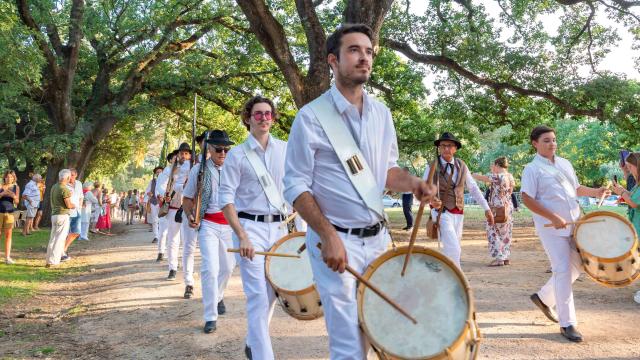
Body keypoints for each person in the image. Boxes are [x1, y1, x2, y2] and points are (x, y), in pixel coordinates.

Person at [283, 24, 435, 359]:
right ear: (333, 61)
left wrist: (415, 184)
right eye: (354, 50)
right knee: (349, 343)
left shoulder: (381, 113)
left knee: (379, 329)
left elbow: (386, 173)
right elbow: (295, 186)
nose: (364, 58)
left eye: (368, 52)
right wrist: (328, 235)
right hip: (336, 240)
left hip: (378, 239)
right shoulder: (310, 117)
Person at [521, 125, 610, 343]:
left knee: (579, 266)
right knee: (562, 270)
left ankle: (543, 297)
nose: (552, 144)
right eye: (546, 140)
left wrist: (595, 191)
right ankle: (567, 323)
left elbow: (576, 189)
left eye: (553, 140)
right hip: (552, 228)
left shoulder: (565, 163)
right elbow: (526, 198)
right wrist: (552, 217)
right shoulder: (532, 169)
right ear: (535, 143)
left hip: (576, 222)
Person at [219, 95, 289, 359]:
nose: (263, 118)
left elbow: (295, 189)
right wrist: (242, 236)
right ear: (247, 119)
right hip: (250, 229)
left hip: (280, 228)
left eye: (268, 114)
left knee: (272, 293)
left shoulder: (285, 149)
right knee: (258, 295)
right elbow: (225, 199)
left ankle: (252, 341)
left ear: (273, 117)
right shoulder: (237, 155)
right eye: (258, 114)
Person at [184, 130, 237, 333]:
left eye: (226, 150)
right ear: (210, 149)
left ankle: (219, 296)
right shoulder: (199, 169)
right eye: (219, 149)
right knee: (210, 269)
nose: (223, 153)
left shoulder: (234, 169)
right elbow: (187, 199)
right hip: (208, 225)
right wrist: (191, 215)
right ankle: (210, 316)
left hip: (230, 226)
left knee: (228, 268)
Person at [423, 132, 494, 267]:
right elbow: (423, 188)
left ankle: (444, 275)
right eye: (443, 146)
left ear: (455, 148)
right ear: (439, 148)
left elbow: (473, 188)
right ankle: (458, 280)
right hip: (441, 212)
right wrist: (431, 200)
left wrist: (486, 208)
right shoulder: (432, 166)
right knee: (454, 249)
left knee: (452, 248)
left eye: (449, 146)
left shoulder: (462, 165)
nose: (446, 149)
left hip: (458, 211)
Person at [157, 143, 191, 280]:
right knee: (173, 239)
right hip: (173, 207)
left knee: (188, 241)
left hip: (189, 208)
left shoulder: (194, 168)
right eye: (181, 153)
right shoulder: (170, 169)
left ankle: (187, 270)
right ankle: (172, 268)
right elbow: (161, 185)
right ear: (177, 155)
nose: (183, 156)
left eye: (186, 153)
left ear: (190, 155)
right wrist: (164, 193)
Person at [473, 157, 515, 266]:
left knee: (493, 231)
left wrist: (471, 174)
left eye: (493, 165)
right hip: (507, 207)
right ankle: (505, 256)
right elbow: (510, 191)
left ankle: (499, 258)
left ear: (497, 164)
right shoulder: (510, 176)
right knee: (506, 233)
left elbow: (481, 177)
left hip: (497, 208)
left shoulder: (497, 176)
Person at [612, 152, 640, 304]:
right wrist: (622, 190)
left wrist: (621, 192)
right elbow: (633, 197)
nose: (629, 170)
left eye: (630, 167)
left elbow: (635, 203)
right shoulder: (637, 184)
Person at [46, 169, 75, 267]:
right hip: (62, 215)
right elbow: (68, 205)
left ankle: (49, 259)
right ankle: (54, 261)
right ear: (67, 177)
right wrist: (74, 205)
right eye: (70, 177)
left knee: (53, 238)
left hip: (54, 214)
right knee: (60, 239)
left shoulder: (54, 187)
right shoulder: (64, 189)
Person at [154, 151, 179, 262]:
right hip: (166, 204)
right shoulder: (166, 172)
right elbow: (158, 188)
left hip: (179, 205)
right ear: (170, 160)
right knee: (163, 231)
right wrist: (164, 195)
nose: (178, 159)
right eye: (175, 158)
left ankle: (174, 258)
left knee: (176, 236)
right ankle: (161, 252)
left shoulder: (184, 171)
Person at [61, 168, 83, 261]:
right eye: (69, 175)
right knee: (64, 233)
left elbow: (81, 196)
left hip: (77, 210)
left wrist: (80, 206)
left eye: (72, 175)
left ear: (76, 175)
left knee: (76, 232)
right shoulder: (64, 185)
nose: (71, 177)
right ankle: (62, 252)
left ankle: (64, 249)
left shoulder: (79, 183)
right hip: (68, 211)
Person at [0, 170, 20, 264]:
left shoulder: (16, 187)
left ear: (14, 178)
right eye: (8, 177)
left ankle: (7, 257)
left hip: (10, 213)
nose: (9, 178)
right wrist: (2, 194)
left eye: (11, 177)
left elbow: (17, 202)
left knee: (8, 235)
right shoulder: (0, 186)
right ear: (4, 177)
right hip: (0, 213)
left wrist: (13, 196)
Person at [146, 167, 164, 243]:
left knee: (163, 220)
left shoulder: (166, 181)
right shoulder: (152, 182)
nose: (159, 173)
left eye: (160, 172)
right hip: (154, 202)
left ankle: (163, 236)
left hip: (163, 203)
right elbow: (147, 191)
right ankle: (156, 236)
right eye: (157, 172)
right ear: (155, 174)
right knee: (155, 220)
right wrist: (149, 193)